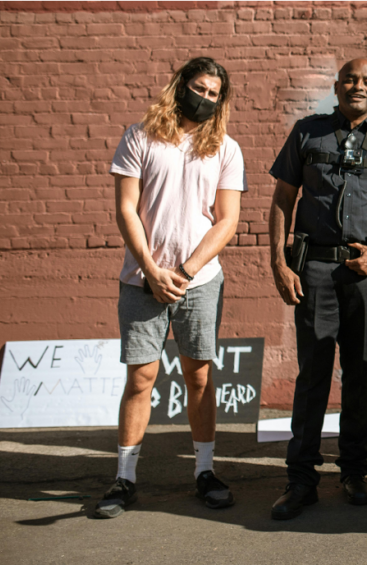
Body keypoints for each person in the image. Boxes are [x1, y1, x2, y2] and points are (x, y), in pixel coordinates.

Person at [267, 58, 367, 518]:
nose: (358, 86)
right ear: (337, 87)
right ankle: (301, 479)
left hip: (366, 275)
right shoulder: (307, 133)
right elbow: (282, 199)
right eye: (351, 80)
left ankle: (355, 471)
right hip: (314, 270)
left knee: (360, 374)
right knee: (312, 376)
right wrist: (278, 261)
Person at [98, 57, 245, 519]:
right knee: (140, 378)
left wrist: (184, 271)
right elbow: (126, 209)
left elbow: (227, 220)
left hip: (199, 282)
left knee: (198, 376)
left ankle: (205, 471)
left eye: (213, 93)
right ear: (180, 86)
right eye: (198, 88)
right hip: (141, 281)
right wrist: (151, 269)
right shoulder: (139, 137)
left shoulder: (225, 148)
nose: (204, 98)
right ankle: (124, 478)